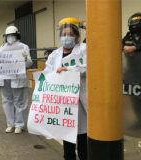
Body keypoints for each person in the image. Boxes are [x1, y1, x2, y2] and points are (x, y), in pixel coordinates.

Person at [44, 17, 87, 160]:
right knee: (68, 145)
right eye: (63, 35)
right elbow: (46, 74)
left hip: (81, 102)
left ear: (77, 36)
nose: (66, 37)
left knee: (83, 141)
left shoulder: (84, 49)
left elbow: (87, 67)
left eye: (70, 34)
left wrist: (68, 69)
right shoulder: (54, 55)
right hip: (63, 105)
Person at [0, 26, 32, 134]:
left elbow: (29, 63)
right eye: (8, 36)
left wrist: (25, 59)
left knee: (19, 102)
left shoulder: (24, 47)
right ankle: (10, 124)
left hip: (18, 78)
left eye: (12, 35)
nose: (10, 38)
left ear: (17, 35)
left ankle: (19, 124)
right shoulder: (2, 47)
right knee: (7, 101)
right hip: (5, 79)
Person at [122, 12, 141, 125]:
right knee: (134, 98)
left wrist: (134, 48)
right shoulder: (128, 36)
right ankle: (140, 120)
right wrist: (124, 48)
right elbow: (119, 45)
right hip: (132, 73)